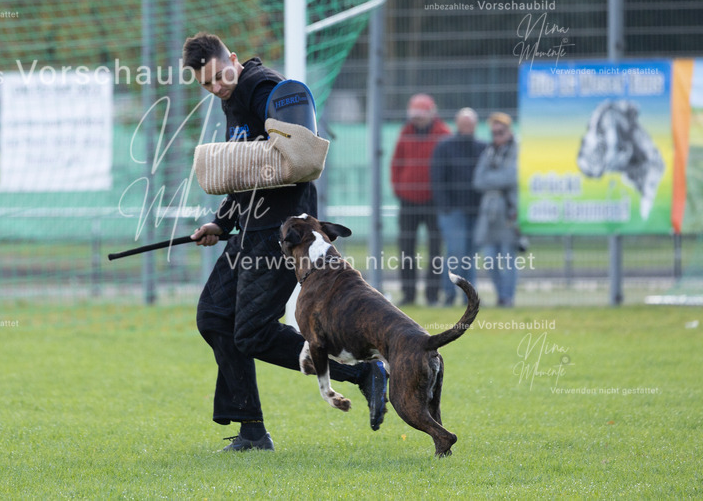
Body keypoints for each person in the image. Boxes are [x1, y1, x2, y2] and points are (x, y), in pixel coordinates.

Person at [182, 32, 388, 453]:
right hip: (249, 231)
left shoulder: (265, 89)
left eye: (220, 77)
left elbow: (299, 159)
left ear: (233, 60)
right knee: (214, 317)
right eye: (207, 85)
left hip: (281, 238)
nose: (216, 87)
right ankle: (252, 430)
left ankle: (364, 375)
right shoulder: (232, 101)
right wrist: (221, 223)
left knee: (252, 333)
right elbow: (247, 174)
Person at [390, 94, 450, 305]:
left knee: (435, 249)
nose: (416, 119)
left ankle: (432, 295)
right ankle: (409, 295)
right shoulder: (404, 133)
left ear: (431, 114)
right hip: (408, 201)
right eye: (414, 115)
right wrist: (399, 189)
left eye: (420, 115)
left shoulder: (443, 134)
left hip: (434, 202)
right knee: (406, 248)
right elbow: (396, 164)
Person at [431, 108, 485, 306]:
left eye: (470, 124)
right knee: (456, 252)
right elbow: (437, 179)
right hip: (452, 211)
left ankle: (469, 298)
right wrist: (445, 207)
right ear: (457, 124)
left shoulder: (482, 147)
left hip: (476, 212)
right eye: (464, 123)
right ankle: (450, 294)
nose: (467, 127)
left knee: (470, 255)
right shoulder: (444, 147)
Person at [472, 112, 520, 307]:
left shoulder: (518, 151)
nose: (497, 136)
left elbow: (513, 176)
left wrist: (492, 179)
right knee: (490, 259)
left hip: (509, 212)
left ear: (509, 131)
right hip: (489, 215)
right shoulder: (488, 152)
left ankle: (507, 298)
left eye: (501, 132)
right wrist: (498, 180)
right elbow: (478, 181)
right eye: (494, 133)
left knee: (509, 259)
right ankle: (500, 295)